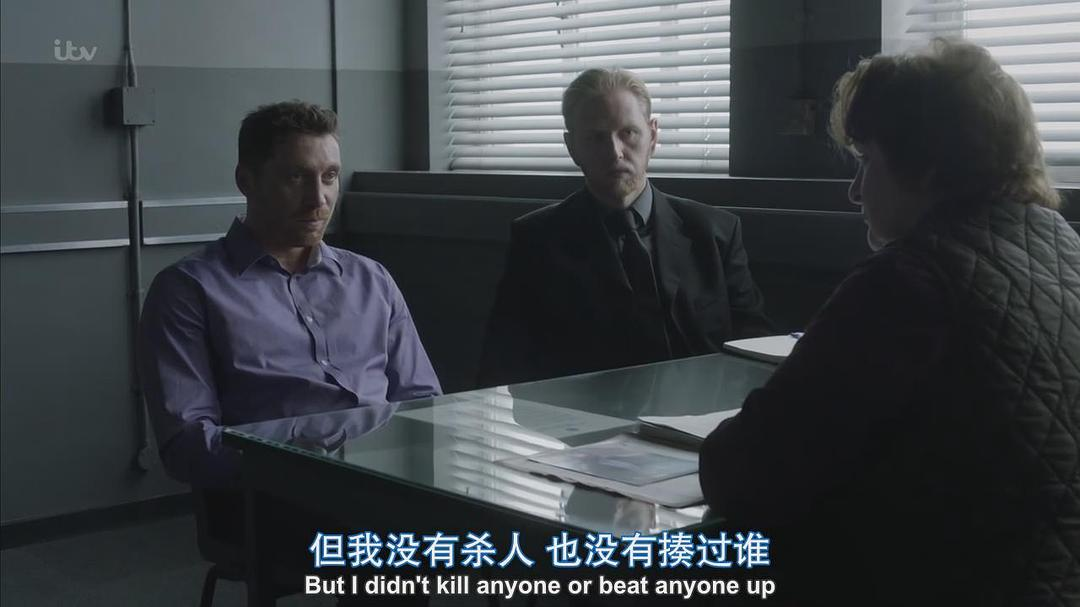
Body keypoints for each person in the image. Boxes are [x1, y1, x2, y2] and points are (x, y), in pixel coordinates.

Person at [699, 40, 1079, 606]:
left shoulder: (909, 282)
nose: (854, 191)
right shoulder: (1065, 251)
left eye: (865, 160)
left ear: (927, 165)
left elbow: (745, 474)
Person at [139, 101, 441, 487]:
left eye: (330, 176)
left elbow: (425, 403)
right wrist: (315, 450)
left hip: (394, 483)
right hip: (281, 491)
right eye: (296, 177)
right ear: (246, 181)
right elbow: (188, 447)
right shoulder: (187, 290)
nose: (318, 199)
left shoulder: (372, 279)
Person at [478, 68, 771, 387]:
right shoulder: (537, 241)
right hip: (581, 415)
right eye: (596, 138)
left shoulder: (716, 232)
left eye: (628, 133)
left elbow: (756, 352)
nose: (614, 152)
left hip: (707, 412)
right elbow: (503, 365)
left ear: (653, 136)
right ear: (572, 147)